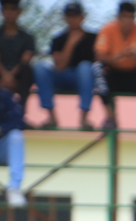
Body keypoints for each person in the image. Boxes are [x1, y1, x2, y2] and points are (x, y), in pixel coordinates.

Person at [33, 2, 96, 131]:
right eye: (69, 16)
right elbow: (59, 66)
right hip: (62, 76)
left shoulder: (93, 38)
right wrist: (71, 43)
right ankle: (51, 117)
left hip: (84, 79)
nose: (72, 19)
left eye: (76, 15)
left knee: (85, 67)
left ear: (83, 16)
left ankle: (84, 117)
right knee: (40, 68)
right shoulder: (59, 39)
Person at [94, 1, 136, 131]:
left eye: (131, 17)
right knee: (98, 69)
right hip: (115, 75)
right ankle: (110, 117)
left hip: (135, 77)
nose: (128, 21)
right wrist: (119, 55)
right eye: (125, 17)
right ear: (119, 17)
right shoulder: (108, 29)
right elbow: (99, 56)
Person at [0, 0, 34, 109]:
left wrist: (10, 76)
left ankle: (21, 111)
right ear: (2, 11)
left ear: (19, 11)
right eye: (6, 9)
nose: (10, 12)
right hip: (1, 73)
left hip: (18, 75)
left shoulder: (27, 37)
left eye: (13, 9)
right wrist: (5, 76)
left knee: (27, 70)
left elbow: (26, 59)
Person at [0, 75, 25, 206]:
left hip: (3, 148)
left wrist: (2, 128)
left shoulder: (5, 96)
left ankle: (14, 188)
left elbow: (19, 122)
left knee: (16, 136)